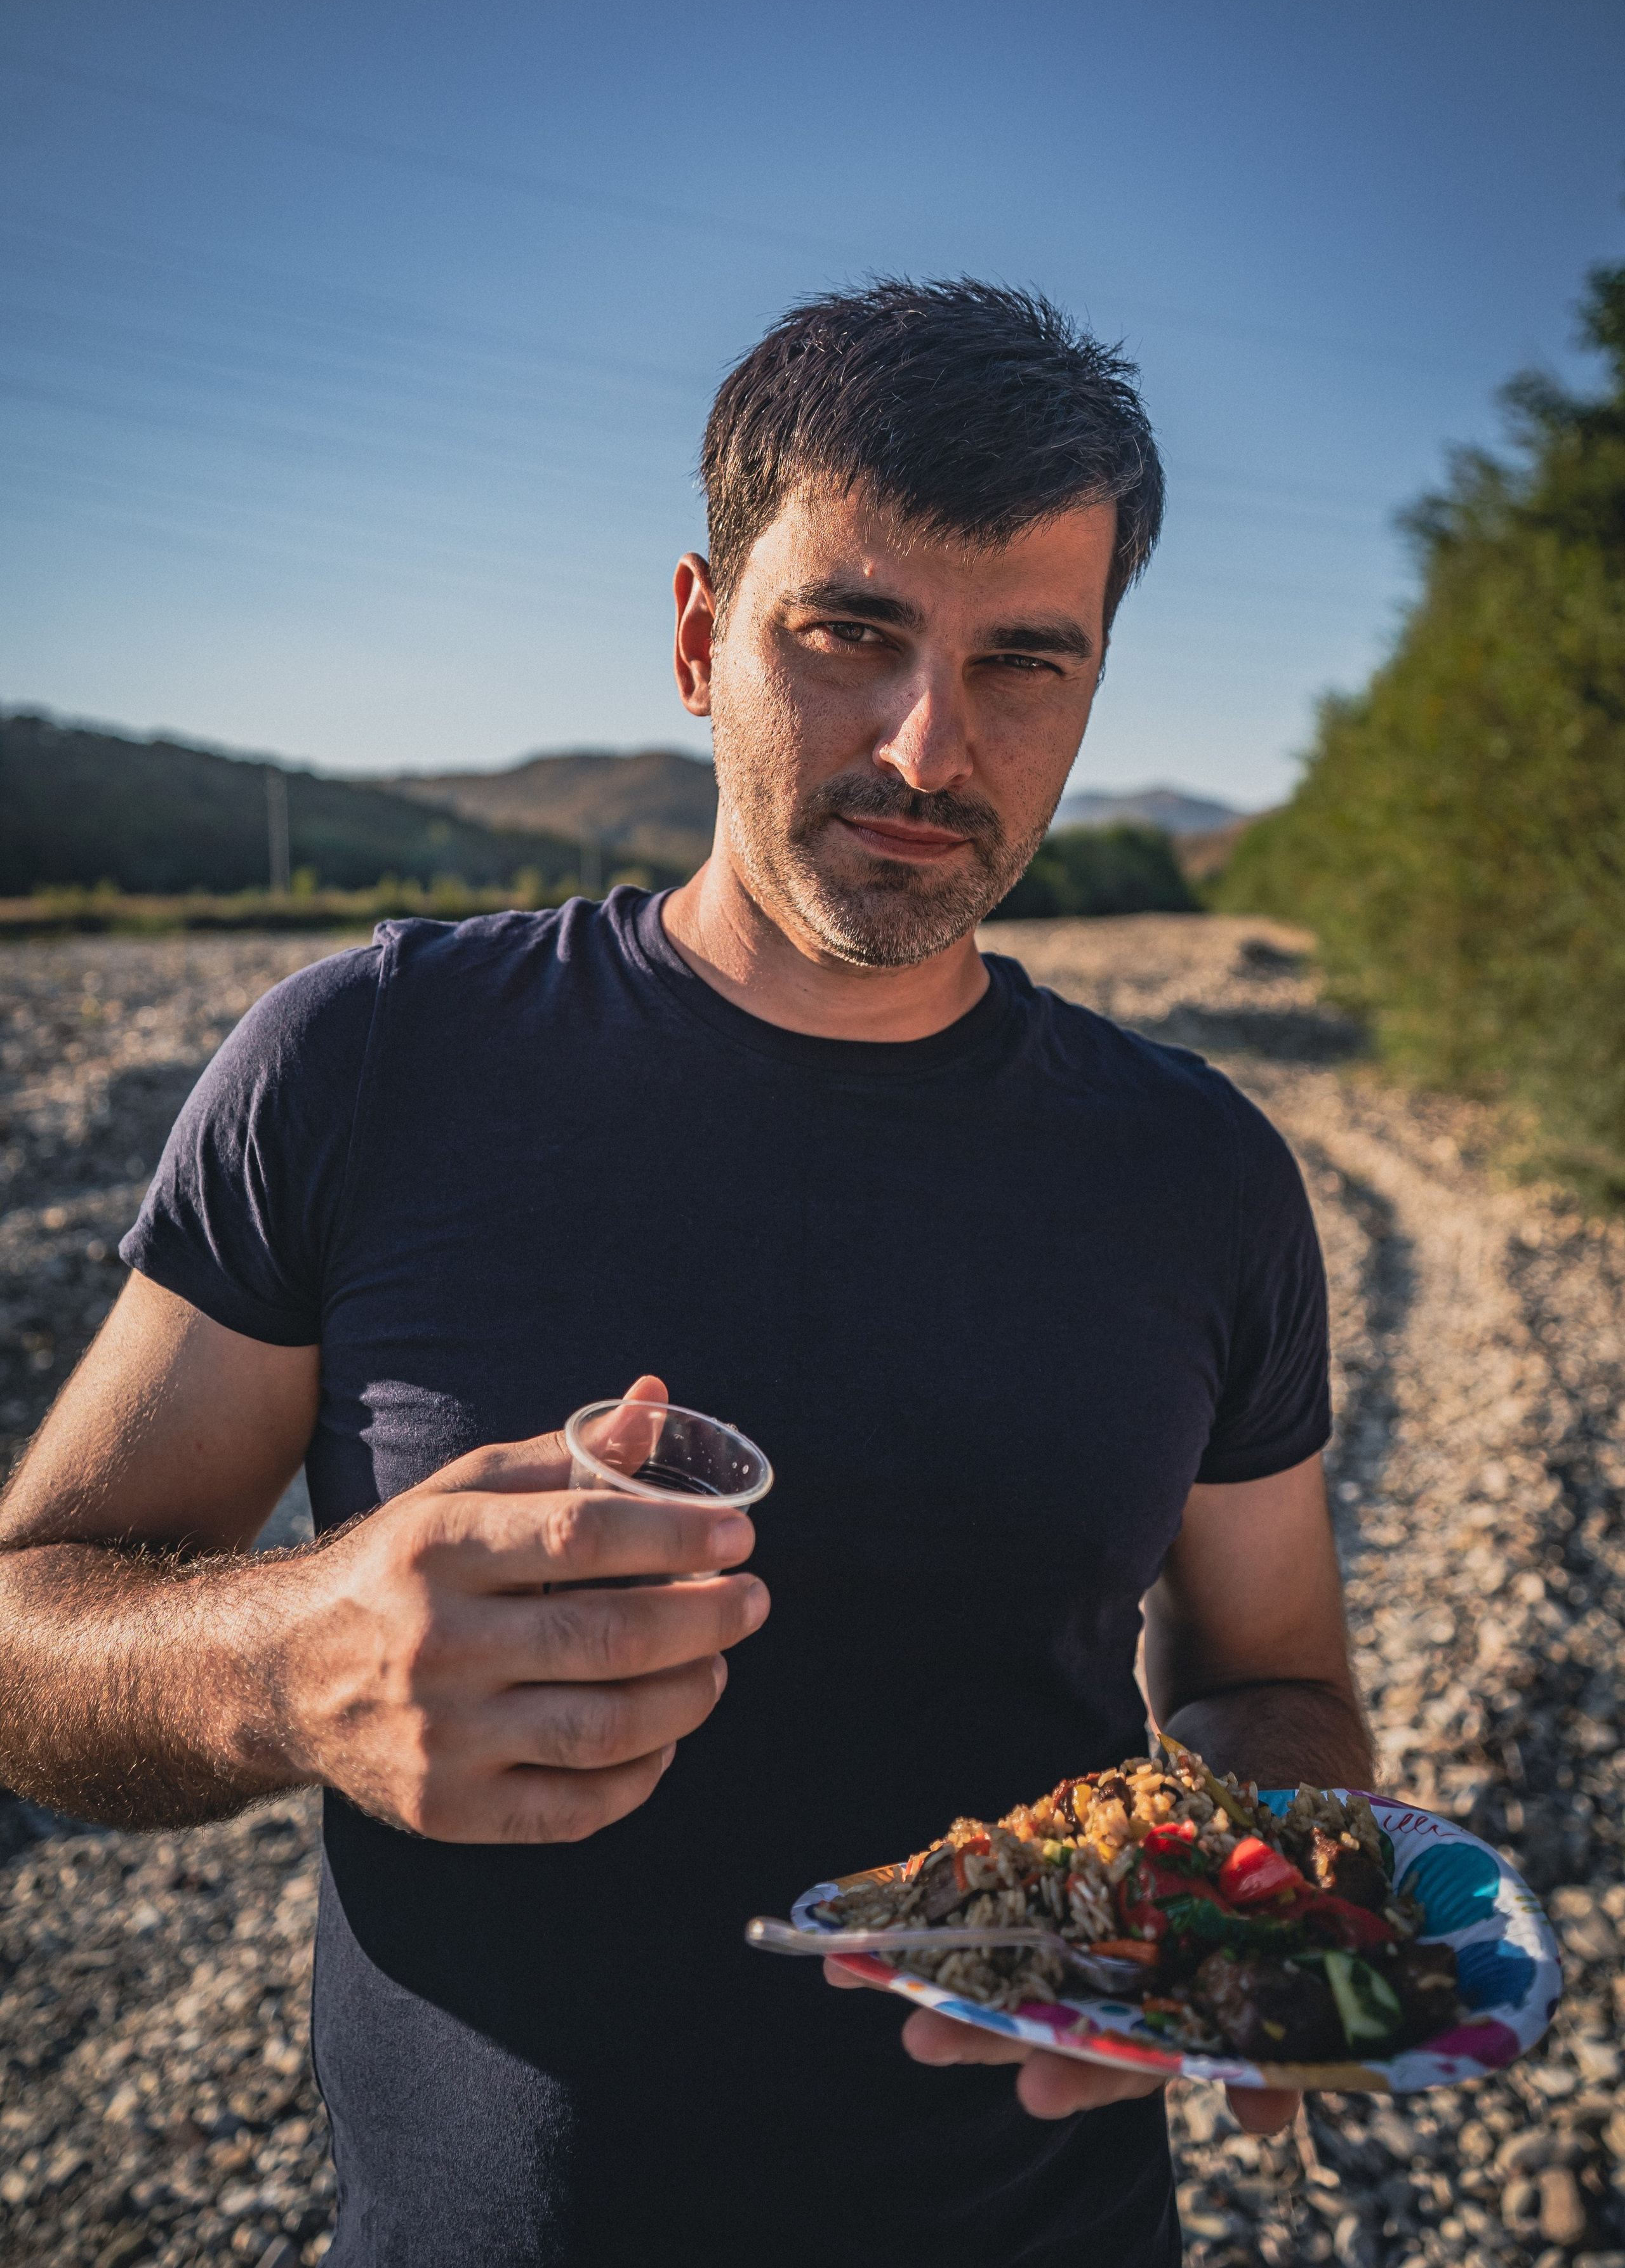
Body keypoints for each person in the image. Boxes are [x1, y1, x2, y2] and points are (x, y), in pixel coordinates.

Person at [0, 279, 1371, 2267]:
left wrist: (1261, 1885)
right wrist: (294, 1661)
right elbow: (29, 1629)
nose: (931, 743)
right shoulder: (372, 1061)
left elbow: (1270, 1678)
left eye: (1025, 664)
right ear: (698, 634)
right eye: (852, 634)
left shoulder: (1201, 1177)